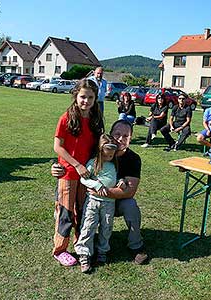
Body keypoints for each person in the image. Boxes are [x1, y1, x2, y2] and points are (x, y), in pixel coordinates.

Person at [51, 119, 148, 265]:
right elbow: (76, 162)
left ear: (131, 138)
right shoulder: (97, 152)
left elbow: (129, 192)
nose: (121, 139)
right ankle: (83, 244)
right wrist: (57, 167)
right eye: (117, 134)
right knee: (79, 207)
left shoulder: (133, 159)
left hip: (114, 202)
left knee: (131, 205)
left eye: (126, 136)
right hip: (91, 201)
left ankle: (136, 246)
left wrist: (101, 191)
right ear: (110, 135)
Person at [52, 78, 104, 267]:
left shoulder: (95, 118)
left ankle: (81, 244)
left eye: (90, 97)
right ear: (76, 96)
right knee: (65, 212)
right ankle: (60, 250)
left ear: (95, 98)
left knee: (83, 211)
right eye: (83, 97)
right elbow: (58, 147)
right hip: (68, 174)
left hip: (87, 175)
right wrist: (76, 165)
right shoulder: (66, 117)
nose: (86, 101)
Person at [75, 133, 121, 273]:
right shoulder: (93, 163)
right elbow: (83, 179)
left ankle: (102, 250)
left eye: (111, 156)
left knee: (106, 227)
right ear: (100, 151)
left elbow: (114, 178)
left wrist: (121, 182)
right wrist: (96, 185)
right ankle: (84, 254)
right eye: (106, 155)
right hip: (93, 201)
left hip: (109, 203)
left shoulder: (114, 165)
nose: (109, 158)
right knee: (88, 226)